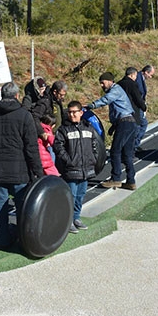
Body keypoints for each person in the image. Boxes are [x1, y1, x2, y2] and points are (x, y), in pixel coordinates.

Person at [0, 82, 43, 249]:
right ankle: (24, 239)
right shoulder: (24, 115)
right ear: (16, 95)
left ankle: (3, 240)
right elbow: (31, 148)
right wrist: (38, 172)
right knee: (22, 205)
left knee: (0, 203)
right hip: (20, 170)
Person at [53, 100, 100, 234]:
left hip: (86, 169)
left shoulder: (88, 127)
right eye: (70, 112)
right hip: (72, 170)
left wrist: (93, 158)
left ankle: (77, 218)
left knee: (80, 195)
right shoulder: (63, 129)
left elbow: (95, 145)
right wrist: (69, 161)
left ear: (81, 112)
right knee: (71, 196)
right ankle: (68, 222)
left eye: (75, 112)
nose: (72, 115)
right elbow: (58, 147)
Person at [86, 72, 138, 190]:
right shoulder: (118, 90)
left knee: (115, 151)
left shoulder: (115, 90)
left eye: (103, 82)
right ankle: (131, 181)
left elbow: (107, 99)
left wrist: (92, 105)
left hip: (124, 122)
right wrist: (114, 126)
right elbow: (121, 109)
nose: (101, 85)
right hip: (129, 122)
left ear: (110, 81)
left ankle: (116, 178)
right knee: (127, 154)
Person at [134, 65, 155, 151]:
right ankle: (134, 145)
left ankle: (135, 144)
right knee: (142, 124)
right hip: (138, 107)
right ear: (146, 72)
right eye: (150, 75)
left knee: (140, 125)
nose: (151, 77)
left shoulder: (140, 78)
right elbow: (139, 94)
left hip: (140, 106)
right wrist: (142, 105)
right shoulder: (138, 78)